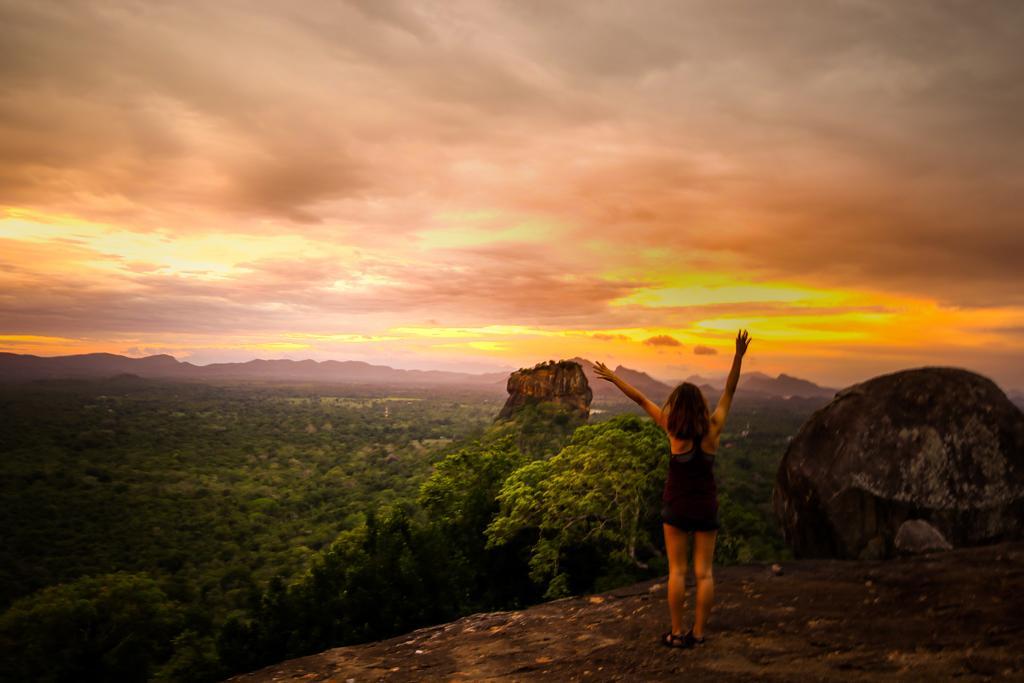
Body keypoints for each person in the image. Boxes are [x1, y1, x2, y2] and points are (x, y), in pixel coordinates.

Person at [593, 328, 752, 649]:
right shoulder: (714, 426)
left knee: (677, 572)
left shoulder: (669, 424)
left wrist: (612, 377)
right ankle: (699, 634)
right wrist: (737, 357)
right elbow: (729, 391)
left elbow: (639, 398)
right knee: (704, 573)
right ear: (700, 406)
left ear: (677, 406)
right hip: (706, 506)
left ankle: (677, 634)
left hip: (676, 506)